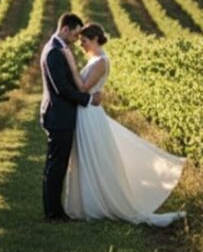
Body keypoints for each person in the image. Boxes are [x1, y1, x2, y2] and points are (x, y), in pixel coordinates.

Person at [61, 23, 186, 226]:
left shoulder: (101, 61)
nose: (81, 45)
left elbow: (84, 87)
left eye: (83, 41)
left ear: (94, 40)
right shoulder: (94, 59)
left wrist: (71, 65)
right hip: (86, 112)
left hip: (90, 114)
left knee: (94, 156)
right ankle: (86, 203)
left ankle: (98, 203)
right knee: (86, 157)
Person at [39, 13, 102, 221]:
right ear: (65, 29)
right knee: (56, 165)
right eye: (75, 35)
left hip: (60, 115)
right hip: (58, 116)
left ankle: (54, 209)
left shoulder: (57, 49)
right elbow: (62, 89)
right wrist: (87, 99)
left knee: (56, 164)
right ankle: (53, 212)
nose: (77, 40)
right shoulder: (54, 52)